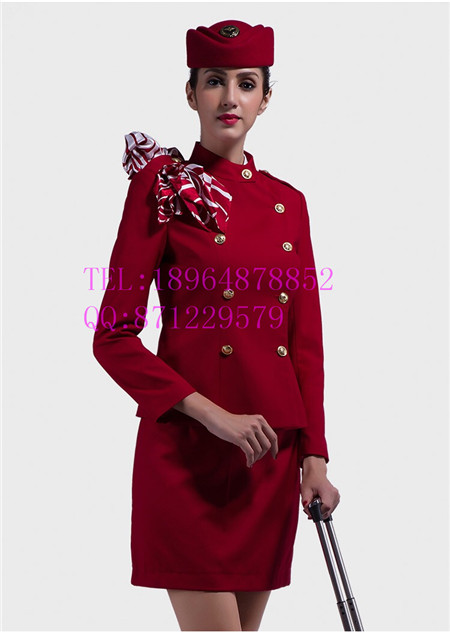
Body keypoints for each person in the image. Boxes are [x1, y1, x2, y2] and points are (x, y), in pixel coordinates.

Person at [93, 18, 340, 631]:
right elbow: (113, 336)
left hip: (268, 458)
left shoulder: (290, 203)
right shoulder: (162, 189)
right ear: (191, 93)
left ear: (266, 99)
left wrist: (315, 458)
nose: (230, 97)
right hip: (189, 453)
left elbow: (305, 345)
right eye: (214, 81)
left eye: (246, 83)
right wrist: (213, 415)